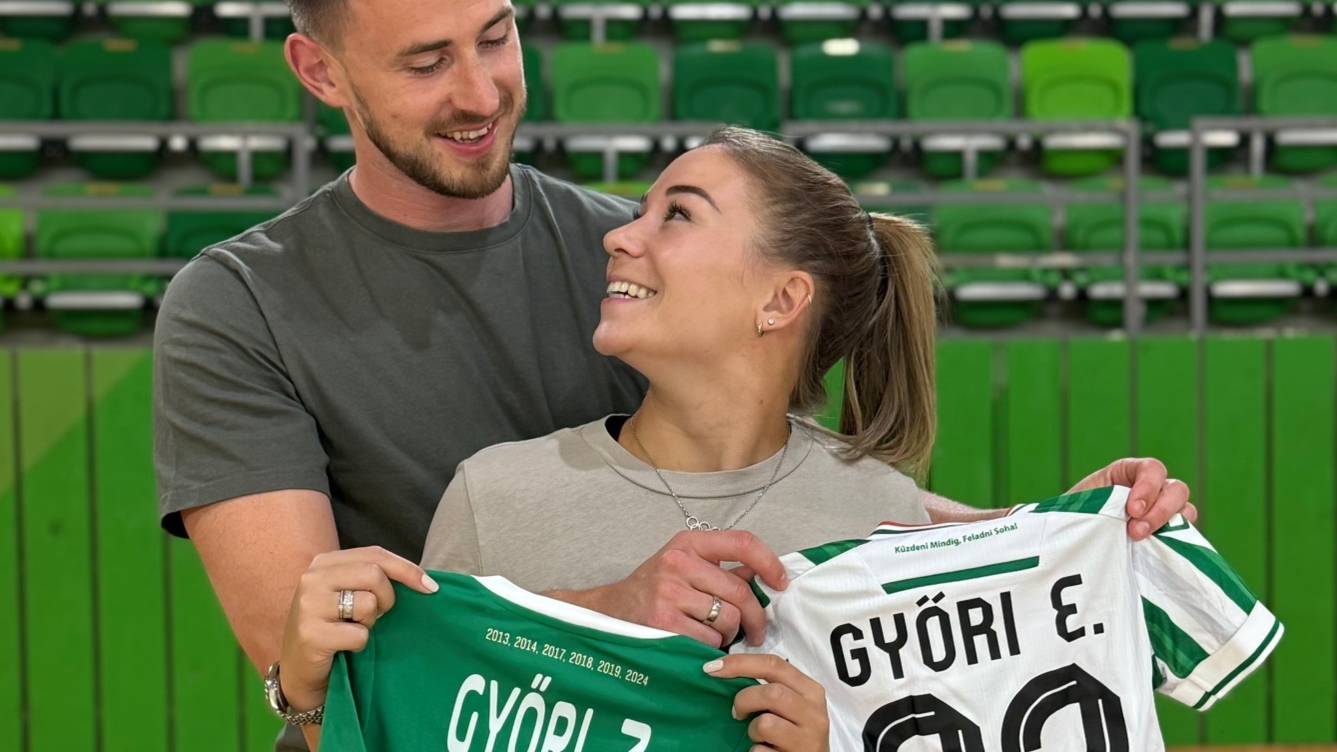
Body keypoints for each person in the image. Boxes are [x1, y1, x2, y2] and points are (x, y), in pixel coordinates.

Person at [153, 1, 1194, 749]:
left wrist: (1041, 533)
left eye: (496, 37)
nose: (478, 92)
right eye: (425, 62)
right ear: (320, 71)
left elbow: (782, 480)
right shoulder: (236, 303)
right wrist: (608, 615)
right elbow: (307, 652)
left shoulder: (633, 263)